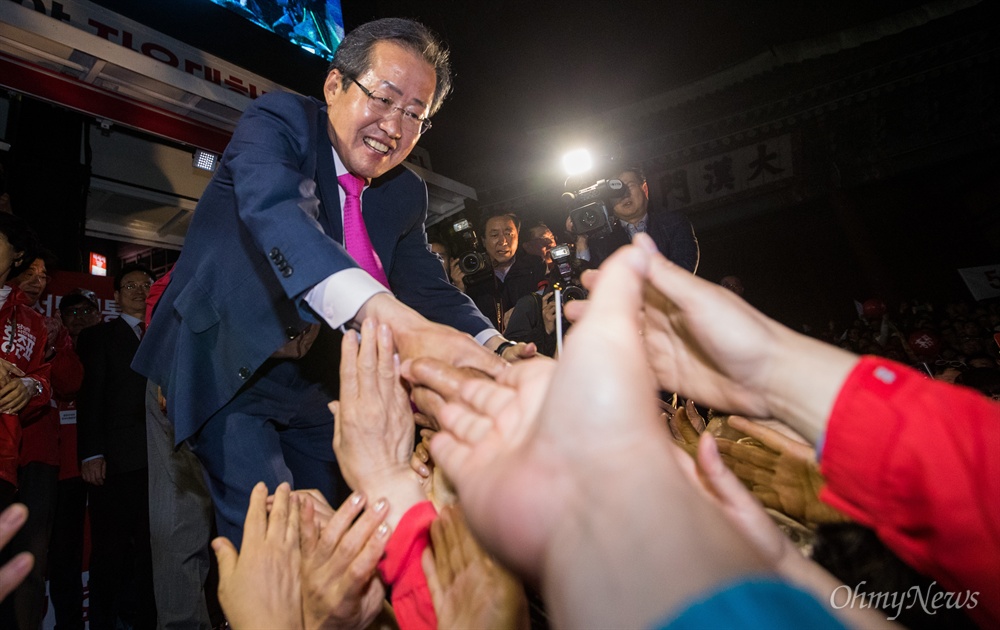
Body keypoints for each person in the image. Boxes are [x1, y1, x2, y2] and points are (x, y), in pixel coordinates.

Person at [132, 17, 528, 547]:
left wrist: (498, 347)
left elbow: (428, 287)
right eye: (384, 98)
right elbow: (277, 213)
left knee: (346, 535)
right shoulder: (279, 122)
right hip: (230, 362)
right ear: (335, 85)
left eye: (415, 114)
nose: (394, 126)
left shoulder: (404, 193)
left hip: (318, 382)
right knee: (276, 540)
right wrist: (380, 312)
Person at [77, 263, 157, 630]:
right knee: (110, 550)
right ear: (116, 296)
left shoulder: (165, 333)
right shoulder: (99, 337)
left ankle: (144, 619)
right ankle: (104, 621)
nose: (140, 291)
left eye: (146, 284)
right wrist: (92, 452)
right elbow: (90, 397)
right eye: (131, 286)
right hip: (116, 461)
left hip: (162, 460)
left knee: (152, 549)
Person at [7, 254, 78, 630]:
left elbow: (69, 384)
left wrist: (57, 347)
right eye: (29, 273)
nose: (37, 280)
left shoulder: (50, 327)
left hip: (38, 453)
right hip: (6, 451)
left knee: (30, 556)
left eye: (43, 275)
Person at [0, 215, 51, 629]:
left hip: (3, 461)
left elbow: (42, 385)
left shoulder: (32, 322)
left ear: (16, 254)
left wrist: (30, 389)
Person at [47, 291, 100, 630]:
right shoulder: (55, 348)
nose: (79, 316)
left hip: (107, 464)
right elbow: (66, 387)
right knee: (66, 552)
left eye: (86, 310)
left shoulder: (114, 347)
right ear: (62, 319)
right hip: (65, 466)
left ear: (98, 314)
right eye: (72, 312)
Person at [573, 165, 699, 272]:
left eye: (629, 186)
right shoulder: (601, 239)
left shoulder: (674, 223)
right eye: (615, 190)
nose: (624, 194)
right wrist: (582, 240)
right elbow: (587, 278)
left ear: (644, 189)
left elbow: (683, 268)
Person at [460, 213, 545, 332]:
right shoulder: (473, 278)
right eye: (494, 235)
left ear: (518, 237)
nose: (503, 241)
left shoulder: (536, 266)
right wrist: (459, 289)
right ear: (483, 241)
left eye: (508, 234)